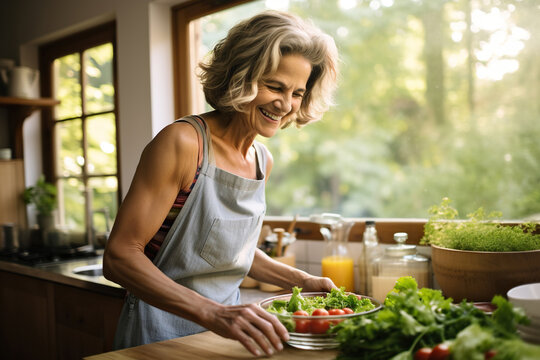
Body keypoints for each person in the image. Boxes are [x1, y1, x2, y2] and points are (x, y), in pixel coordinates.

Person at [103, 10, 339, 357]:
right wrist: (215, 313)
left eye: (297, 93)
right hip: (158, 336)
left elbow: (230, 251)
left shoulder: (261, 160)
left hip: (228, 335)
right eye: (274, 86)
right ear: (240, 76)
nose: (285, 103)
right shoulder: (183, 144)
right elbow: (120, 257)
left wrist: (301, 281)